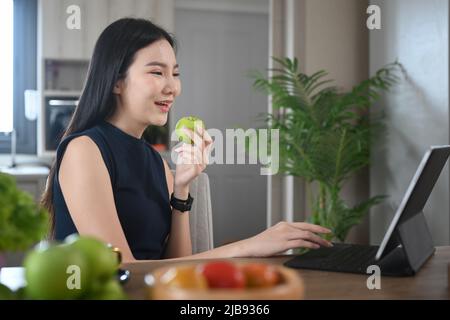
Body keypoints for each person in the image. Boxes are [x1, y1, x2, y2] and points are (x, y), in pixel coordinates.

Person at [41, 18, 333, 263]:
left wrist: (181, 188)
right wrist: (249, 247)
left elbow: (175, 266)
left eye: (176, 74)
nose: (172, 87)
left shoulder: (156, 161)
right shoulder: (85, 150)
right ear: (116, 81)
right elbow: (122, 270)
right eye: (157, 72)